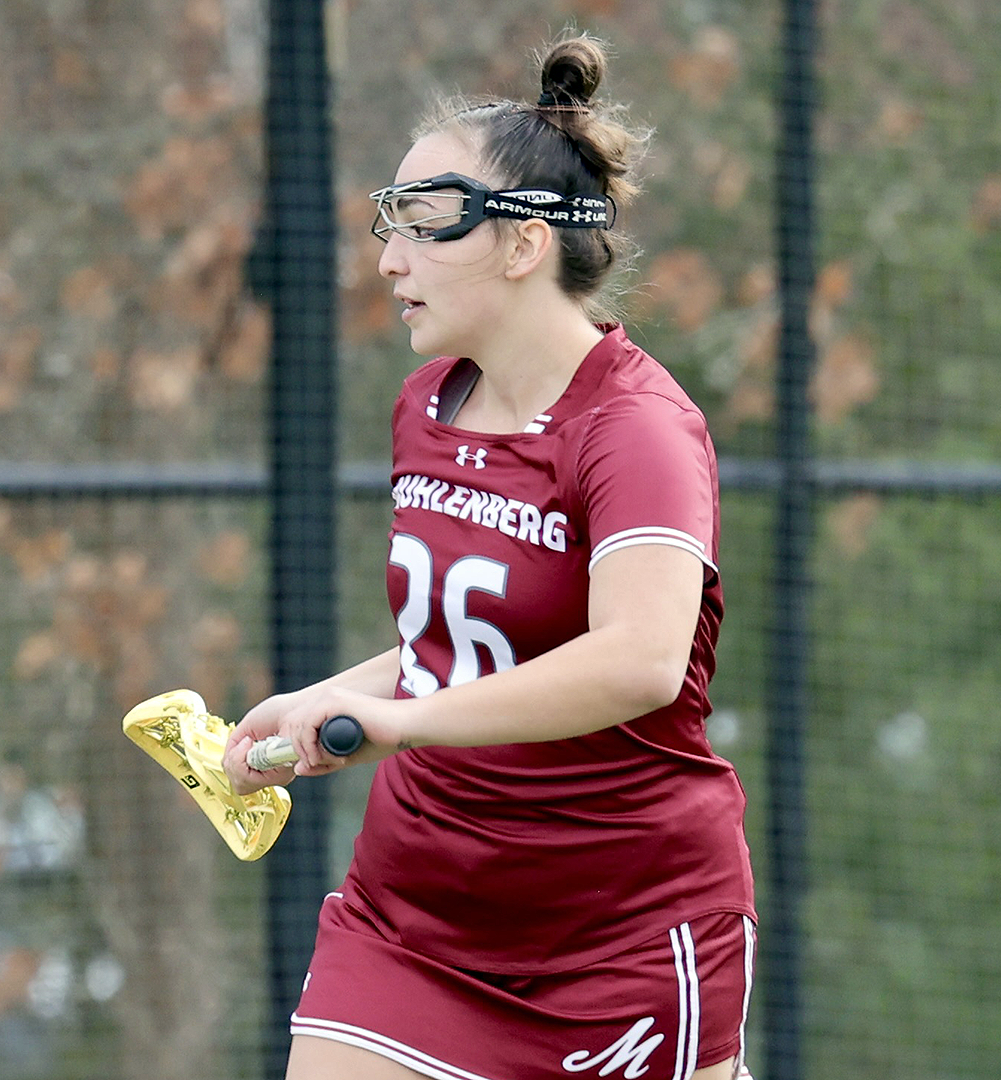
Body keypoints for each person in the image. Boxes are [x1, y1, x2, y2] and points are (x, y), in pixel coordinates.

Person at [224, 32, 755, 1080]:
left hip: (618, 936)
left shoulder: (636, 430)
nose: (388, 260)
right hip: (413, 918)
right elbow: (455, 646)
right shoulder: (427, 405)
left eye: (425, 226)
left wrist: (397, 723)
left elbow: (639, 663)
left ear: (523, 247)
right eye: (391, 226)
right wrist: (321, 698)